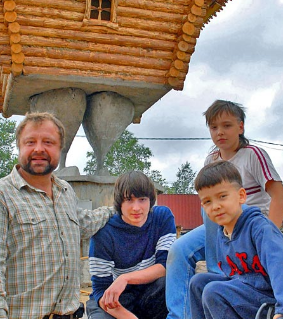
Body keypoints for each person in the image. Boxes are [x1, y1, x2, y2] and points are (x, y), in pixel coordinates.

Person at [0, 112, 115, 319]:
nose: (39, 148)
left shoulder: (65, 191)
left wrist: (117, 209)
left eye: (48, 142)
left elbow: (84, 223)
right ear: (19, 147)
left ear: (60, 148)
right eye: (30, 142)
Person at [166, 99, 283, 319]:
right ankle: (179, 315)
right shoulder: (211, 160)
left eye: (227, 125)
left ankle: (222, 279)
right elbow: (209, 201)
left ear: (241, 127)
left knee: (215, 206)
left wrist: (267, 235)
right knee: (179, 250)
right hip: (222, 228)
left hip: (250, 222)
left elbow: (279, 194)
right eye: (214, 127)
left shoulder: (252, 155)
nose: (220, 132)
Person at [189, 160, 283, 319]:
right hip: (244, 291)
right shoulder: (222, 233)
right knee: (198, 282)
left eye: (222, 196)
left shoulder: (259, 228)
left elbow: (279, 265)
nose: (216, 206)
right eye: (207, 201)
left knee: (214, 291)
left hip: (269, 299)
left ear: (241, 196)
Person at [86, 171, 177, 319]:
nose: (136, 208)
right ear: (119, 202)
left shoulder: (162, 218)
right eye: (129, 200)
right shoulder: (104, 233)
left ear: (150, 200)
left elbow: (165, 266)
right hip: (117, 300)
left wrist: (126, 278)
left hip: (151, 294)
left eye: (142, 199)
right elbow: (100, 290)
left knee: (170, 283)